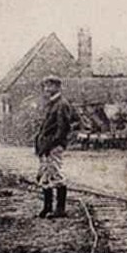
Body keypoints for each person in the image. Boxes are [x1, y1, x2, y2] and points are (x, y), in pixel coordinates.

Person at [34, 75, 79, 218]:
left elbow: (62, 128)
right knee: (45, 175)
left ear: (58, 87)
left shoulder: (61, 104)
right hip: (46, 145)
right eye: (46, 85)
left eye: (51, 85)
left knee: (55, 173)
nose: (47, 88)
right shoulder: (52, 103)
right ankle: (47, 207)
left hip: (53, 145)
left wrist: (53, 143)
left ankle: (60, 209)